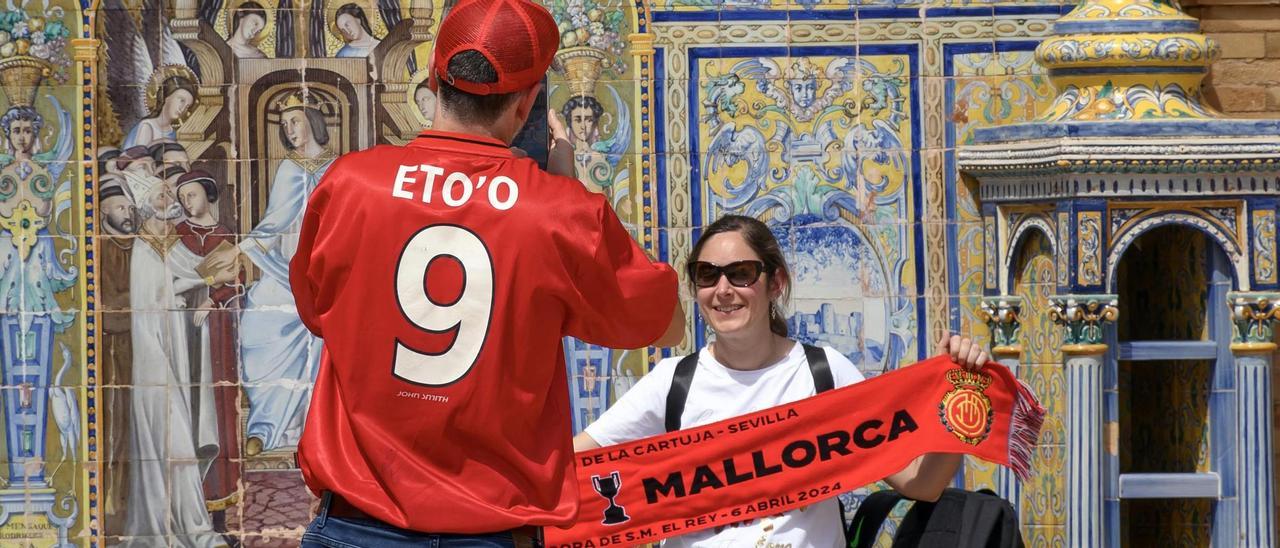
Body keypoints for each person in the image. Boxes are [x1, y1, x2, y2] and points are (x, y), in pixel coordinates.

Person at [292, 0, 684, 545]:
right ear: (527, 103)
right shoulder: (561, 213)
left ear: (435, 80)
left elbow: (317, 312)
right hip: (492, 528)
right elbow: (665, 325)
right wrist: (574, 193)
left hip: (355, 520)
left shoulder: (349, 185)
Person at [574, 214, 992, 548]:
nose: (723, 289)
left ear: (775, 283)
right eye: (707, 274)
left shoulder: (823, 373)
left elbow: (922, 483)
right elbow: (573, 465)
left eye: (741, 273)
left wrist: (958, 397)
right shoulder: (672, 383)